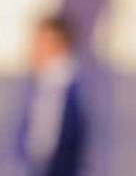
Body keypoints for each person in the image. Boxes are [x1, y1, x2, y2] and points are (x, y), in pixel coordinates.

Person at [16, 15, 87, 176]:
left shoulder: (71, 89)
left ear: (58, 46)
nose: (33, 50)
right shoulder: (40, 86)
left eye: (40, 43)